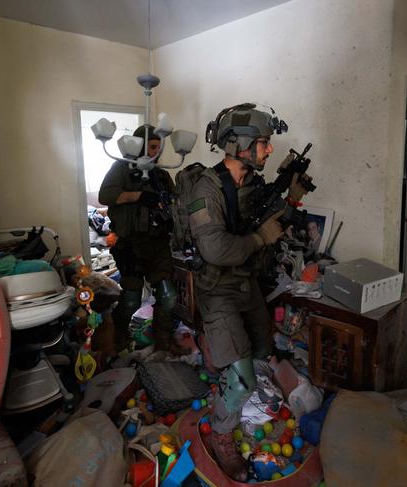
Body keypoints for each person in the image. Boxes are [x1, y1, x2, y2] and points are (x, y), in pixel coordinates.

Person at [187, 104, 289, 481]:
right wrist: (261, 237)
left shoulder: (252, 185)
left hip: (247, 283)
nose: (269, 150)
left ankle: (231, 378)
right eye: (264, 143)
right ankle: (222, 433)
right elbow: (215, 249)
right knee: (243, 374)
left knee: (263, 349)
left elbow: (270, 222)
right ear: (240, 144)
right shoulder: (206, 189)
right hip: (217, 290)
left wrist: (289, 201)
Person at [98, 125, 185, 355]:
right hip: (131, 244)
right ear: (140, 146)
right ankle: (118, 335)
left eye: (159, 147)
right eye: (153, 147)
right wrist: (138, 196)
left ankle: (163, 342)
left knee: (168, 296)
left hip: (158, 244)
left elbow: (174, 203)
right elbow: (105, 195)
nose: (157, 152)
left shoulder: (161, 174)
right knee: (131, 301)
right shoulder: (122, 167)